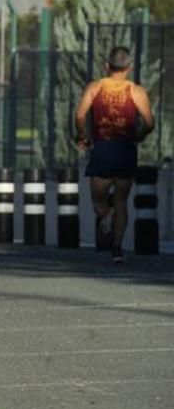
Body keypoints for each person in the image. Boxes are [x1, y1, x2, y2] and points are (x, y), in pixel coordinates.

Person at [74, 46, 154, 263]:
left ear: (107, 66)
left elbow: (80, 115)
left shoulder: (95, 87)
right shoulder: (136, 91)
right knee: (121, 201)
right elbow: (149, 123)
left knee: (98, 201)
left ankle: (106, 216)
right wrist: (138, 135)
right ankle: (117, 250)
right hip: (126, 150)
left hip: (103, 149)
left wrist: (82, 135)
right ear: (129, 67)